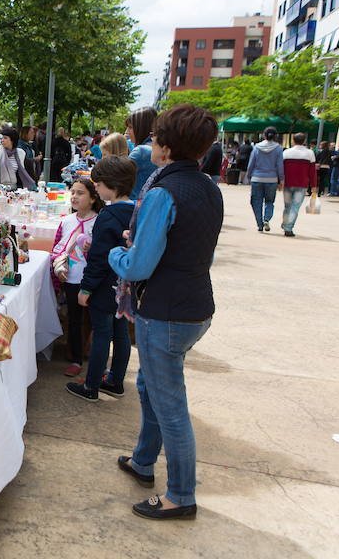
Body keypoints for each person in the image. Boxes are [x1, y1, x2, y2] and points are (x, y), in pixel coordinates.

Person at [108, 103, 223, 521]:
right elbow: (185, 244)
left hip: (168, 312)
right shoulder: (209, 187)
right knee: (150, 388)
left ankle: (180, 494)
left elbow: (139, 266)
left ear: (166, 147)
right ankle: (142, 461)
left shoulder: (162, 191)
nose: (150, 143)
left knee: (170, 404)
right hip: (195, 308)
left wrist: (120, 254)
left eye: (155, 137)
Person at [66, 155, 136, 402]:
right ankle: (115, 380)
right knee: (120, 333)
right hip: (125, 285)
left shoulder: (107, 215)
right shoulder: (136, 211)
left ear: (112, 185)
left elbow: (98, 258)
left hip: (104, 286)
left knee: (102, 333)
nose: (95, 187)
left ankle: (91, 385)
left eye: (98, 183)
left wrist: (86, 288)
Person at [52, 176, 102, 377]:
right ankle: (75, 358)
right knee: (74, 319)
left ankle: (91, 351)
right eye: (72, 192)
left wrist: (92, 248)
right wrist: (58, 268)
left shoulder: (98, 222)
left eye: (80, 193)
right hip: (71, 278)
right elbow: (57, 248)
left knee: (93, 319)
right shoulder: (66, 221)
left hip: (91, 279)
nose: (74, 196)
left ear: (92, 198)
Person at [245, 126, 284, 232]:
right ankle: (266, 218)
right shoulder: (278, 148)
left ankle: (260, 224)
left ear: (264, 135)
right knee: (269, 201)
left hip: (257, 178)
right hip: (272, 179)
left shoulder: (257, 147)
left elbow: (251, 164)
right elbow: (280, 166)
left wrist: (249, 176)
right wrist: (281, 180)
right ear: (275, 136)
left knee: (256, 201)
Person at [281, 132, 317, 237]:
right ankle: (288, 227)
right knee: (295, 207)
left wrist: (280, 181)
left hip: (287, 183)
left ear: (293, 140)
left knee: (287, 206)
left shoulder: (286, 153)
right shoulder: (310, 153)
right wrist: (314, 186)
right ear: (304, 141)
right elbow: (312, 172)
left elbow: (281, 169)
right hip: (302, 184)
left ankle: (286, 224)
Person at [125, 107, 158, 199]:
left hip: (134, 206)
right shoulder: (155, 147)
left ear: (141, 127)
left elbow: (116, 177)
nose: (127, 132)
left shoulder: (141, 151)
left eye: (130, 127)